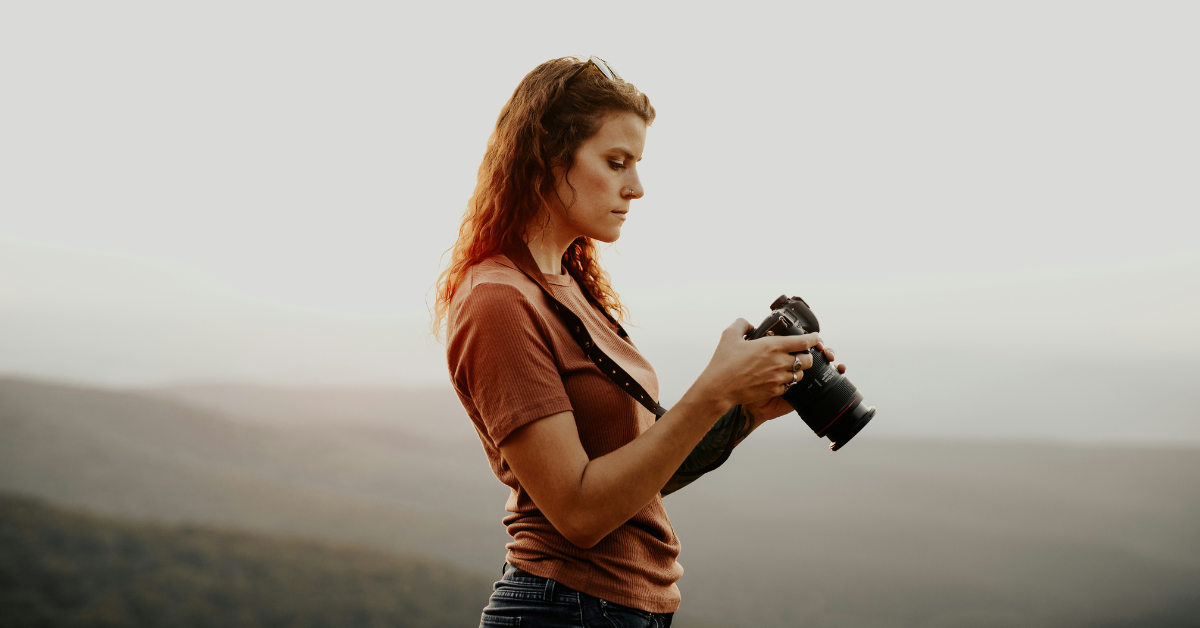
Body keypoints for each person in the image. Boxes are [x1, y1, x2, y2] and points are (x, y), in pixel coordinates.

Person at [433, 56, 845, 628]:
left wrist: (744, 409)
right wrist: (711, 389)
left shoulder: (566, 288)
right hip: (564, 611)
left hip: (610, 612)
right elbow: (579, 512)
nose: (637, 187)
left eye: (636, 164)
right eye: (615, 162)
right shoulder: (498, 299)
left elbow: (637, 481)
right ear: (548, 159)